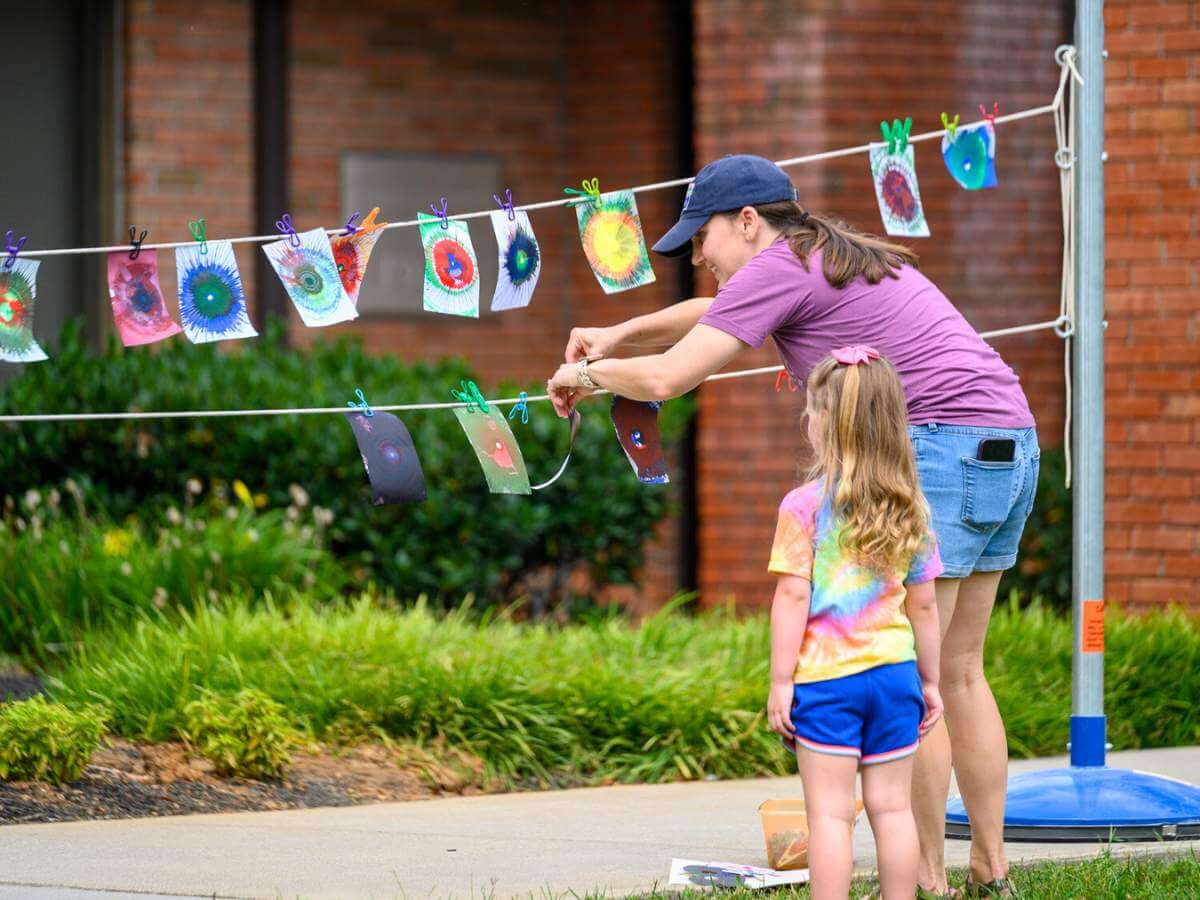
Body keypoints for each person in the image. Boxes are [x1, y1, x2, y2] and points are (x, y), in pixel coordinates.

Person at [546, 154, 1038, 897]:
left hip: (939, 443)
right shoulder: (827, 252)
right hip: (1009, 439)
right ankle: (991, 871)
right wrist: (621, 331)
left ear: (748, 222)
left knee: (906, 668)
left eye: (702, 239)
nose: (699, 258)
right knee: (960, 670)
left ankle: (930, 882)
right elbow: (716, 316)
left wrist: (584, 377)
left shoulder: (779, 267)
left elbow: (670, 380)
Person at [767, 346, 942, 900]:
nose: (807, 420)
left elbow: (793, 597)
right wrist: (931, 682)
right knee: (893, 809)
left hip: (827, 683)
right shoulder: (910, 505)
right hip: (894, 678)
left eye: (813, 411)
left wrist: (780, 681)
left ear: (828, 425)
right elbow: (925, 606)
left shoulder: (803, 507)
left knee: (832, 818)